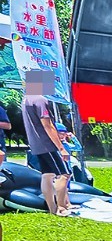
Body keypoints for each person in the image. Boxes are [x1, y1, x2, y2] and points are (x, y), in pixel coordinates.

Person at [21, 71, 71, 216]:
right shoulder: (40, 100)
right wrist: (61, 148)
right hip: (47, 144)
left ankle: (52, 209)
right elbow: (47, 125)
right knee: (64, 174)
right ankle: (61, 207)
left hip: (36, 144)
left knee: (47, 175)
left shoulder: (26, 99)